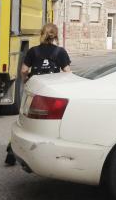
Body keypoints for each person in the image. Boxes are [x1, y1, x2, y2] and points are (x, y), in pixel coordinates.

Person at [5, 23, 71, 165]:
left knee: (23, 122)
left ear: (42, 34)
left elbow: (23, 70)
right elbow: (67, 72)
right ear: (56, 35)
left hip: (34, 90)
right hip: (51, 93)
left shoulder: (33, 51)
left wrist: (26, 81)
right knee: (50, 125)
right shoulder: (60, 52)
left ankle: (12, 151)